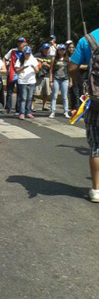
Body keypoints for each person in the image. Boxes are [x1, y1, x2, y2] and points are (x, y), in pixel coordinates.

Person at [69, 27, 99, 202]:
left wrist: (82, 86)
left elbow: (72, 68)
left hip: (95, 99)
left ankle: (96, 190)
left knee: (96, 145)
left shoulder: (87, 40)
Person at [15, 46, 40, 120]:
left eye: (29, 54)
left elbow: (37, 70)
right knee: (23, 97)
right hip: (23, 81)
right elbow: (17, 71)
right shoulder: (20, 60)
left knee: (29, 97)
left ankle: (28, 112)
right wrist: (23, 67)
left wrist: (34, 67)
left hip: (31, 81)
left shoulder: (33, 59)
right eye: (26, 54)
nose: (27, 55)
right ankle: (22, 112)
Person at [4, 38, 26, 114]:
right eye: (19, 42)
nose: (20, 44)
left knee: (20, 92)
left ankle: (18, 108)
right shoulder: (13, 51)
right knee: (9, 92)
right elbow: (5, 58)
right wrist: (5, 68)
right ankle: (8, 108)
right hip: (12, 73)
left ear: (25, 43)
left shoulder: (27, 51)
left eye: (22, 42)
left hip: (21, 74)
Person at [49, 44, 70, 119]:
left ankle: (66, 111)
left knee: (65, 96)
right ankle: (53, 111)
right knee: (54, 96)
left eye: (63, 50)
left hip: (65, 78)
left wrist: (71, 81)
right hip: (56, 78)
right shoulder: (54, 59)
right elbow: (51, 70)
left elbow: (70, 71)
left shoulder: (68, 59)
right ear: (58, 51)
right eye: (60, 50)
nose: (62, 51)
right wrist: (50, 81)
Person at [67, 40, 86, 111]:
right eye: (70, 47)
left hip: (82, 77)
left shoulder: (82, 55)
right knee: (74, 93)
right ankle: (75, 108)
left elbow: (86, 66)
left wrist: (80, 66)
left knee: (81, 93)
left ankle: (80, 108)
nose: (71, 49)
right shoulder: (69, 56)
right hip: (73, 77)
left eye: (73, 47)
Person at [34, 43, 53, 111]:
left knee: (46, 92)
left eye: (47, 48)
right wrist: (39, 61)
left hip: (47, 76)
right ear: (42, 49)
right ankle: (32, 106)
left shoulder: (51, 57)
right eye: (45, 48)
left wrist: (47, 65)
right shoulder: (37, 55)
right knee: (36, 92)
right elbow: (32, 60)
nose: (46, 50)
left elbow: (53, 67)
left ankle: (44, 106)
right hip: (39, 76)